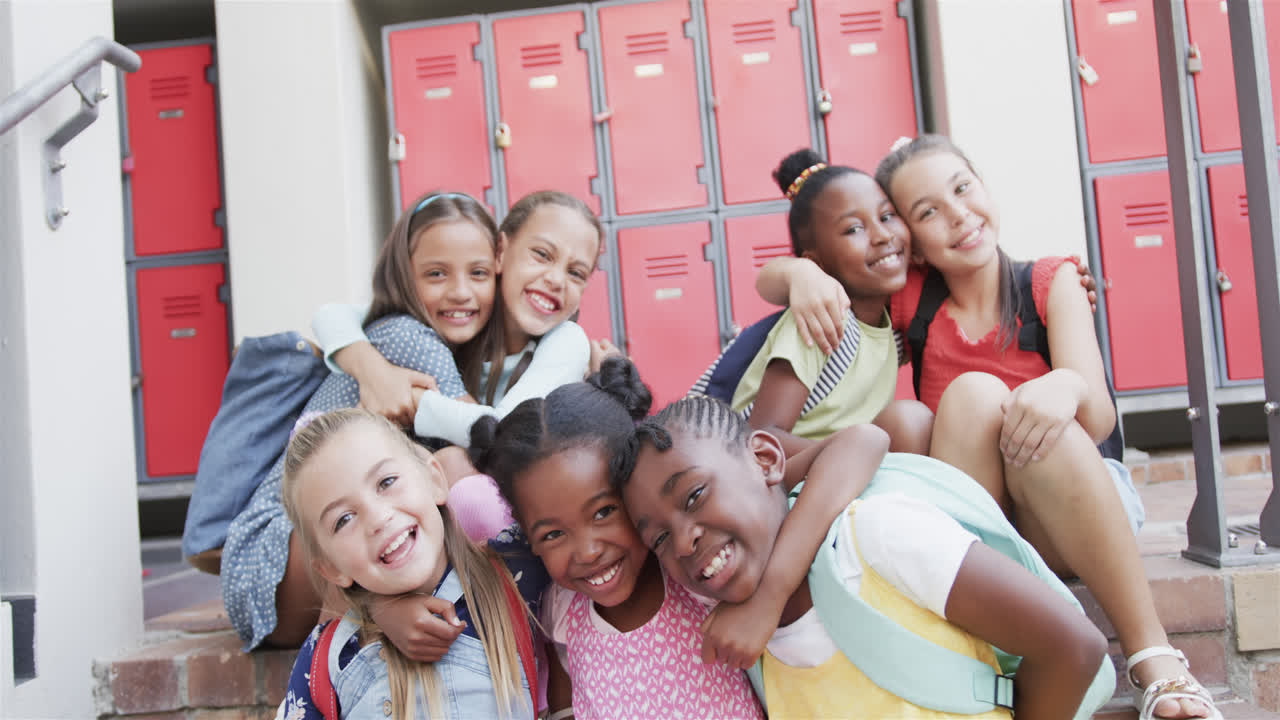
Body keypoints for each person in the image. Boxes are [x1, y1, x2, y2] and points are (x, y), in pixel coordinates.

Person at [875, 134, 1219, 720]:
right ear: (913, 246)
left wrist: (1066, 386)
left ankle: (1152, 654)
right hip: (984, 527)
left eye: (963, 188)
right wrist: (801, 281)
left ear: (983, 186)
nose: (958, 215)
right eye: (928, 211)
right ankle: (984, 639)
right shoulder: (911, 303)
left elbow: (1100, 418)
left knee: (1043, 417)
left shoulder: (1051, 280)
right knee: (974, 395)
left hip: (1068, 510)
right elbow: (804, 264)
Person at [618, 393, 1111, 720]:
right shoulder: (732, 635)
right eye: (659, 539)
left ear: (766, 460)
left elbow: (1074, 648)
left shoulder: (874, 537)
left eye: (694, 496)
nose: (682, 542)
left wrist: (771, 594)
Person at [466, 357, 889, 719]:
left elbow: (860, 441)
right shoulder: (560, 609)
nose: (588, 549)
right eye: (554, 533)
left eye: (604, 512)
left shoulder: (696, 568)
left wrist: (767, 598)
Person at [222, 191, 504, 651]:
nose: (459, 291)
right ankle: (385, 609)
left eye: (478, 273)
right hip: (272, 556)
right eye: (436, 274)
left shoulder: (399, 345)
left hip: (335, 541)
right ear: (404, 278)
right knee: (457, 468)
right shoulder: (405, 337)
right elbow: (492, 441)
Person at [276, 408, 549, 720]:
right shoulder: (327, 661)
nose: (378, 519)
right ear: (331, 568)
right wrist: (379, 609)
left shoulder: (518, 573)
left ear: (433, 477)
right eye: (344, 519)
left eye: (386, 482)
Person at [312, 190, 604, 449]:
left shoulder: (565, 342)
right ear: (501, 251)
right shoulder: (449, 326)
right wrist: (375, 373)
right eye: (542, 254)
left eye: (576, 273)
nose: (555, 279)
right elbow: (332, 315)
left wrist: (413, 400)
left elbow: (504, 436)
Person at [720, 149, 932, 456]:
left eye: (887, 216)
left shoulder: (892, 324)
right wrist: (856, 458)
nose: (883, 235)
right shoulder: (822, 320)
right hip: (784, 479)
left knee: (911, 420)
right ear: (815, 263)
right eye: (853, 229)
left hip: (840, 470)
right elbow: (763, 436)